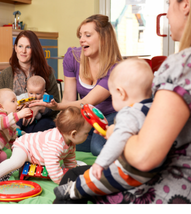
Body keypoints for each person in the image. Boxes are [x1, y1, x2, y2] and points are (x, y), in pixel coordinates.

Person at [54, 0, 191, 204]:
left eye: (168, 4)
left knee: (76, 180)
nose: (165, 14)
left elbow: (144, 158)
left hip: (168, 187)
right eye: (81, 35)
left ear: (185, 3)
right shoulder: (75, 57)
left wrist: (117, 135)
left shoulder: (180, 66)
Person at [54, 58, 162, 200]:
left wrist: (100, 163)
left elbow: (116, 142)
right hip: (153, 172)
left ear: (121, 93)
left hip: (131, 173)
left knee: (95, 178)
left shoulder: (128, 113)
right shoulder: (154, 108)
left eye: (112, 96)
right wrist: (110, 132)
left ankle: (74, 191)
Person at [30, 14, 122, 156]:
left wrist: (57, 106)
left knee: (97, 148)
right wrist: (61, 123)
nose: (81, 40)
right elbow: (69, 98)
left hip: (110, 115)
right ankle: (87, 136)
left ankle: (115, 138)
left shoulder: (114, 68)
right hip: (85, 114)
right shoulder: (72, 57)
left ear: (103, 39)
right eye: (80, 35)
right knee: (56, 136)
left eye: (87, 35)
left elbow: (87, 101)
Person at [0, 106, 92, 185]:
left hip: (34, 150)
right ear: (73, 133)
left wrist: (72, 172)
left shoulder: (70, 142)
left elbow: (70, 160)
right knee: (16, 162)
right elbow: (53, 170)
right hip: (25, 146)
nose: (87, 135)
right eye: (86, 133)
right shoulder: (55, 144)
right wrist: (64, 180)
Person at [0, 30, 60, 133]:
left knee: (45, 127)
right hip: (14, 118)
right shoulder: (6, 74)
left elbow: (56, 105)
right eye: (20, 46)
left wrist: (39, 108)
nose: (23, 51)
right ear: (15, 48)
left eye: (28, 47)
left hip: (39, 120)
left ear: (34, 49)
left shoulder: (47, 72)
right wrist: (17, 112)